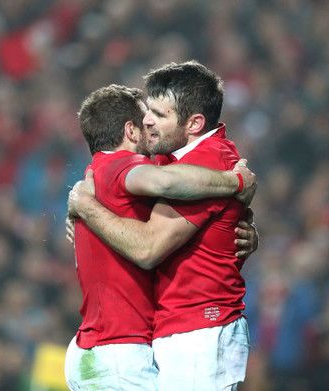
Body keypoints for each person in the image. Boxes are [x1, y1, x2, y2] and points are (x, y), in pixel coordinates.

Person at [68, 61, 256, 390]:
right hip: (175, 331)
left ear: (195, 122)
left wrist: (88, 209)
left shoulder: (208, 164)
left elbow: (148, 247)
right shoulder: (168, 156)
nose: (148, 121)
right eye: (148, 110)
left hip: (202, 328)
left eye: (160, 114)